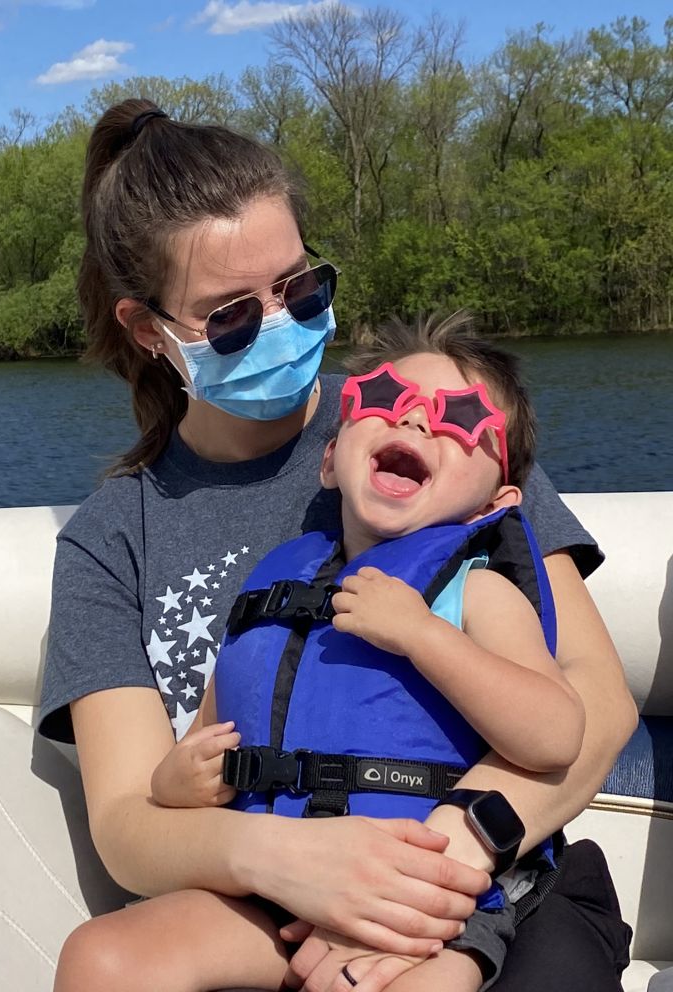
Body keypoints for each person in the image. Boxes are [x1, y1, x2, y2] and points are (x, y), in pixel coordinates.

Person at [41, 98, 635, 992]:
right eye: (232, 316)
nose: (281, 324)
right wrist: (291, 862)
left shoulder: (440, 432)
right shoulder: (111, 539)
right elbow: (128, 823)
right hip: (258, 900)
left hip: (478, 874)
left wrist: (429, 872)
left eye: (300, 288)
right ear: (147, 329)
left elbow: (598, 706)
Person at [53, 317, 589, 992]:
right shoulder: (277, 592)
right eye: (386, 403)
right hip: (275, 895)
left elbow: (556, 732)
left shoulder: (475, 595)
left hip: (430, 912)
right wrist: (176, 781)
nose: (417, 424)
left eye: (458, 418)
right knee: (105, 956)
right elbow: (196, 749)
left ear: (500, 500)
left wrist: (423, 636)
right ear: (330, 460)